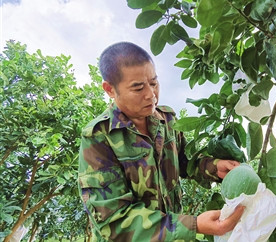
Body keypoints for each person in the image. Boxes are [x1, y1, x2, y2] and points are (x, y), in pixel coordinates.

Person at [77, 42, 245, 241]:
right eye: (138, 88)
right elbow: (113, 220)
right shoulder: (99, 138)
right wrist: (194, 225)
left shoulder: (166, 120)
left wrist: (213, 166)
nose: (151, 94)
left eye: (154, 83)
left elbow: (184, 162)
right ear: (110, 89)